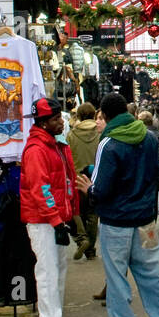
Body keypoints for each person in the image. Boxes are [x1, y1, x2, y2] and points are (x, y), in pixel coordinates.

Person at [79, 93, 159, 317]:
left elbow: (101, 189)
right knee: (153, 272)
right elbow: (158, 175)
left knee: (116, 278)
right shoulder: (148, 138)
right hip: (145, 220)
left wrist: (89, 190)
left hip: (115, 222)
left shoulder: (109, 143)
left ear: (106, 114)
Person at [19, 98, 78, 317]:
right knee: (47, 272)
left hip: (53, 219)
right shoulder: (38, 150)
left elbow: (60, 184)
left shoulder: (52, 146)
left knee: (56, 271)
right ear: (44, 122)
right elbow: (41, 189)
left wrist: (66, 216)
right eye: (56, 119)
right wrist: (56, 219)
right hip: (44, 221)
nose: (62, 122)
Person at [66, 102, 102, 261]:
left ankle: (82, 237)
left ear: (79, 115)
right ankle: (91, 249)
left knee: (77, 211)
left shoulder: (72, 135)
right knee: (93, 214)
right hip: (95, 176)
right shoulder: (100, 133)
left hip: (77, 177)